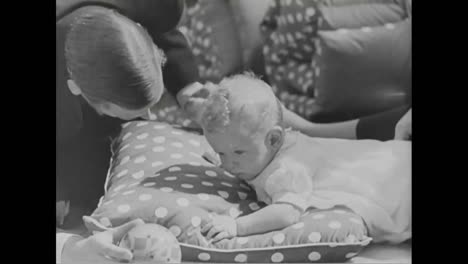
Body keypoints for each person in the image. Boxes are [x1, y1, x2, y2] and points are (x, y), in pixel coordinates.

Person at [197, 73, 411, 244]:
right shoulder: (261, 150)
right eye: (221, 152)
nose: (227, 164)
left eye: (238, 153)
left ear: (274, 139)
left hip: (397, 184)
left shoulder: (287, 168)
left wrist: (236, 226)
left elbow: (286, 213)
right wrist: (222, 158)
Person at [56, 0, 202, 226]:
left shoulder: (150, 8)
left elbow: (164, 31)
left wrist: (187, 86)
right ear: (80, 91)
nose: (149, 116)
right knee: (78, 203)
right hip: (67, 125)